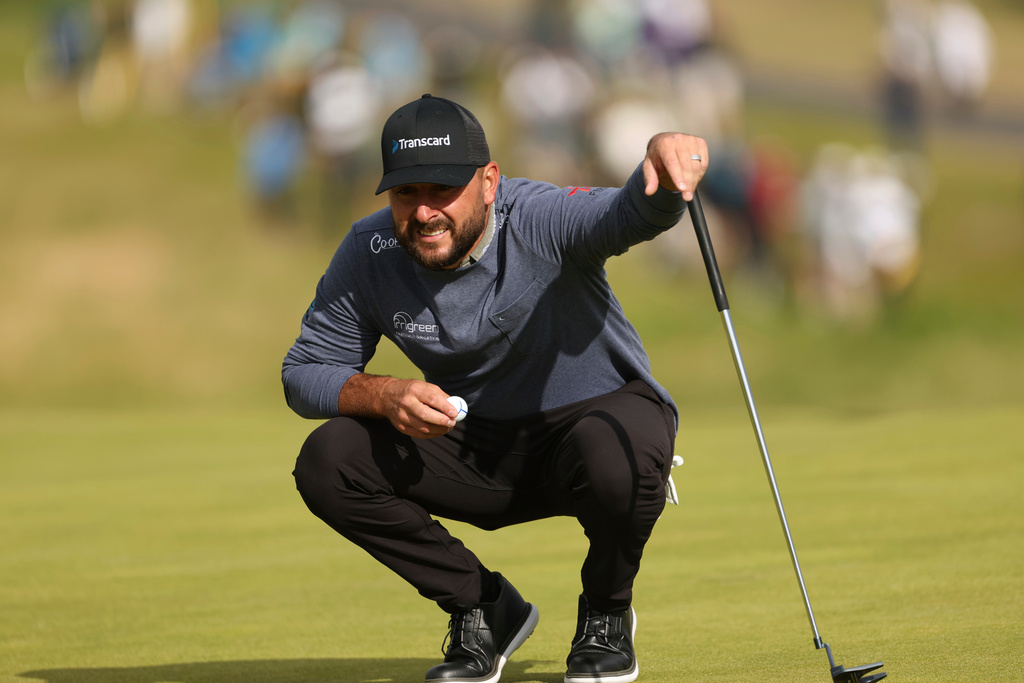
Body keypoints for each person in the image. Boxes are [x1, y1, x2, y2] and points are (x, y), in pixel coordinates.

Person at [282, 94, 708, 683]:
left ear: (488, 182)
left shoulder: (538, 216)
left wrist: (660, 174)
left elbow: (625, 216)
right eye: (407, 193)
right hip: (477, 445)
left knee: (622, 449)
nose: (424, 212)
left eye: (442, 190)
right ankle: (483, 608)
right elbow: (305, 372)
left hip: (592, 430)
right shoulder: (369, 251)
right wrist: (384, 396)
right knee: (329, 460)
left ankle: (607, 615)